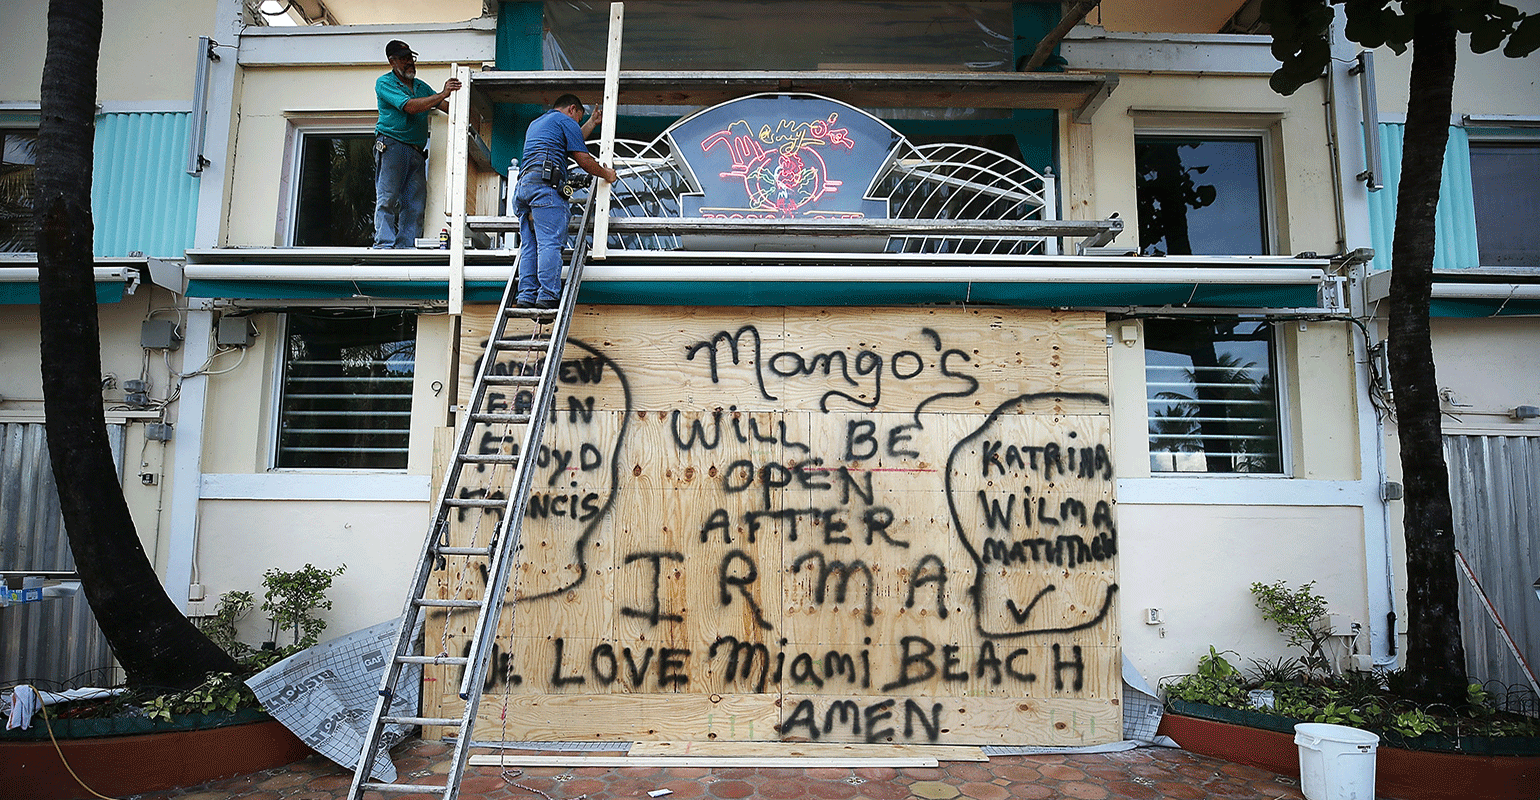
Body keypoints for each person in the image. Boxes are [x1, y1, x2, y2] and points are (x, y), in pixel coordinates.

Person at [513, 95, 618, 309]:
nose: (577, 124)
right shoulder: (565, 121)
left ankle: (526, 295)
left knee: (530, 244)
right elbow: (583, 159)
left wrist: (591, 123)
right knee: (549, 243)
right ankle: (548, 295)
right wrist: (606, 174)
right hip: (545, 189)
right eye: (579, 119)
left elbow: (568, 142)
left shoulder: (538, 123)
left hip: (524, 188)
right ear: (572, 109)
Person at [373, 40, 460, 249]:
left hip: (416, 151)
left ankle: (406, 247)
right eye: (404, 59)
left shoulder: (421, 86)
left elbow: (447, 106)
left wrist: (469, 106)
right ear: (392, 62)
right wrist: (442, 94)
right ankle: (384, 245)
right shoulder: (384, 83)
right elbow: (410, 107)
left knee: (414, 202)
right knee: (387, 197)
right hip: (392, 145)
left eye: (411, 58)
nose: (410, 62)